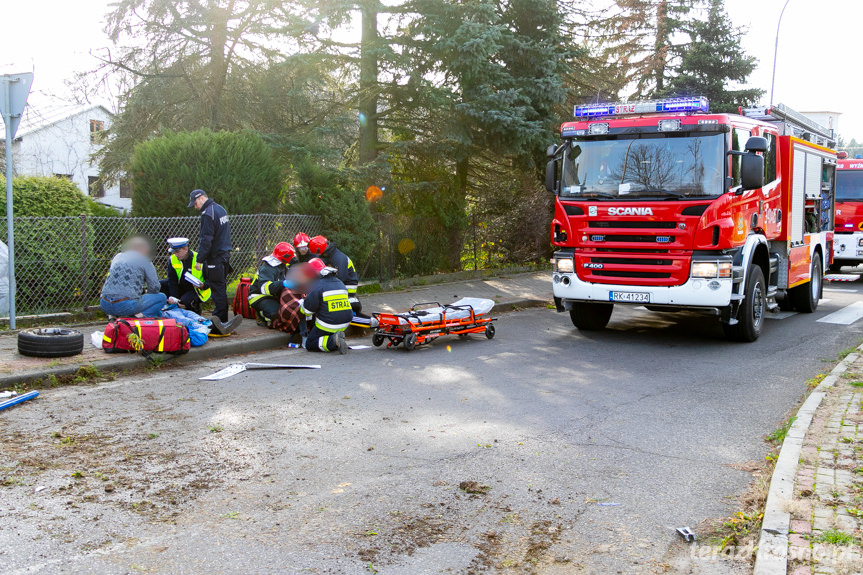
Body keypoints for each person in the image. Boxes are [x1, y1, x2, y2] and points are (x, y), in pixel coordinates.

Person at [188, 189, 241, 335]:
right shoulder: (220, 209)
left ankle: (219, 322)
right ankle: (223, 321)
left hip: (215, 257)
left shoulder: (207, 214)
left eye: (195, 203)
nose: (195, 206)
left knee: (217, 289)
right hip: (224, 254)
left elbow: (206, 239)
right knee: (220, 287)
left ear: (200, 198)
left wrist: (200, 259)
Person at [100, 237, 167, 318]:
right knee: (161, 297)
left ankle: (112, 317)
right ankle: (137, 317)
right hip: (125, 305)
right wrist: (146, 292)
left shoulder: (118, 257)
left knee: (117, 296)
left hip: (104, 304)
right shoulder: (145, 260)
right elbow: (155, 287)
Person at [299, 258, 351, 354]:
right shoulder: (339, 282)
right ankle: (336, 337)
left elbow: (307, 311)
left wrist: (301, 305)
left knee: (310, 343)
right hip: (345, 323)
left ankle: (333, 341)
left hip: (329, 324)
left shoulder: (317, 285)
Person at [307, 235, 361, 313]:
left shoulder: (338, 258)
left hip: (347, 287)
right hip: (342, 285)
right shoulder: (330, 255)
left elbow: (340, 278)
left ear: (319, 250)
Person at [249, 242, 296, 325]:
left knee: (288, 311)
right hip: (259, 297)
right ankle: (261, 315)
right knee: (276, 314)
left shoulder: (282, 266)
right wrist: (283, 283)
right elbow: (264, 289)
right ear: (285, 257)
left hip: (273, 296)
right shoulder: (267, 268)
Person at [161, 237, 210, 315]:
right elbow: (172, 280)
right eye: (174, 252)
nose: (175, 254)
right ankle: (166, 310)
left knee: (185, 301)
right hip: (180, 287)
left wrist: (203, 285)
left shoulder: (199, 259)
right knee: (160, 284)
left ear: (186, 249)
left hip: (196, 290)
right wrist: (174, 297)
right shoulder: (173, 259)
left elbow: (211, 280)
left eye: (178, 252)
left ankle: (195, 310)